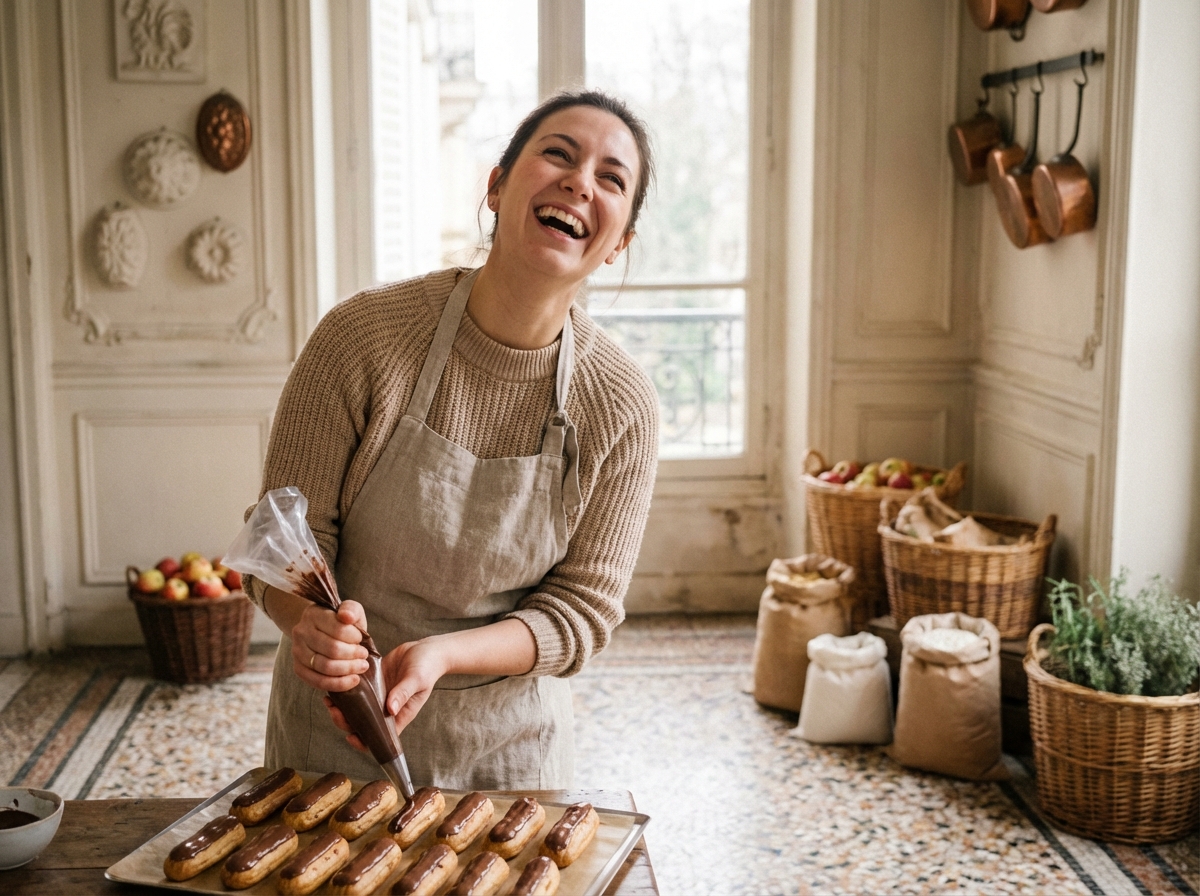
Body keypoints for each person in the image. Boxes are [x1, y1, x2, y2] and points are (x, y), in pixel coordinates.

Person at [242, 90, 660, 791]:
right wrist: (307, 626)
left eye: (611, 178)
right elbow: (281, 538)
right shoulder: (361, 339)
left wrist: (439, 655)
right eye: (558, 153)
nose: (580, 182)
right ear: (496, 186)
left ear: (619, 243)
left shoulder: (621, 404)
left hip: (510, 762)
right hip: (335, 738)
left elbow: (583, 609)